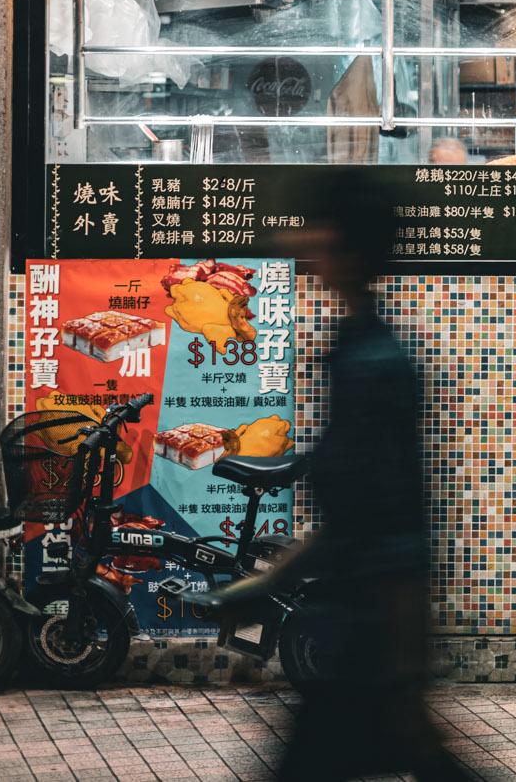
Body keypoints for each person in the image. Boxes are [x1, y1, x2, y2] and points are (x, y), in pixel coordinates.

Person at [204, 168, 473, 782]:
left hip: (370, 632)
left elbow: (384, 519)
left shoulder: (373, 364)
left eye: (317, 229)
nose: (302, 241)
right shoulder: (358, 349)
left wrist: (251, 589)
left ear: (346, 249)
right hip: (360, 631)